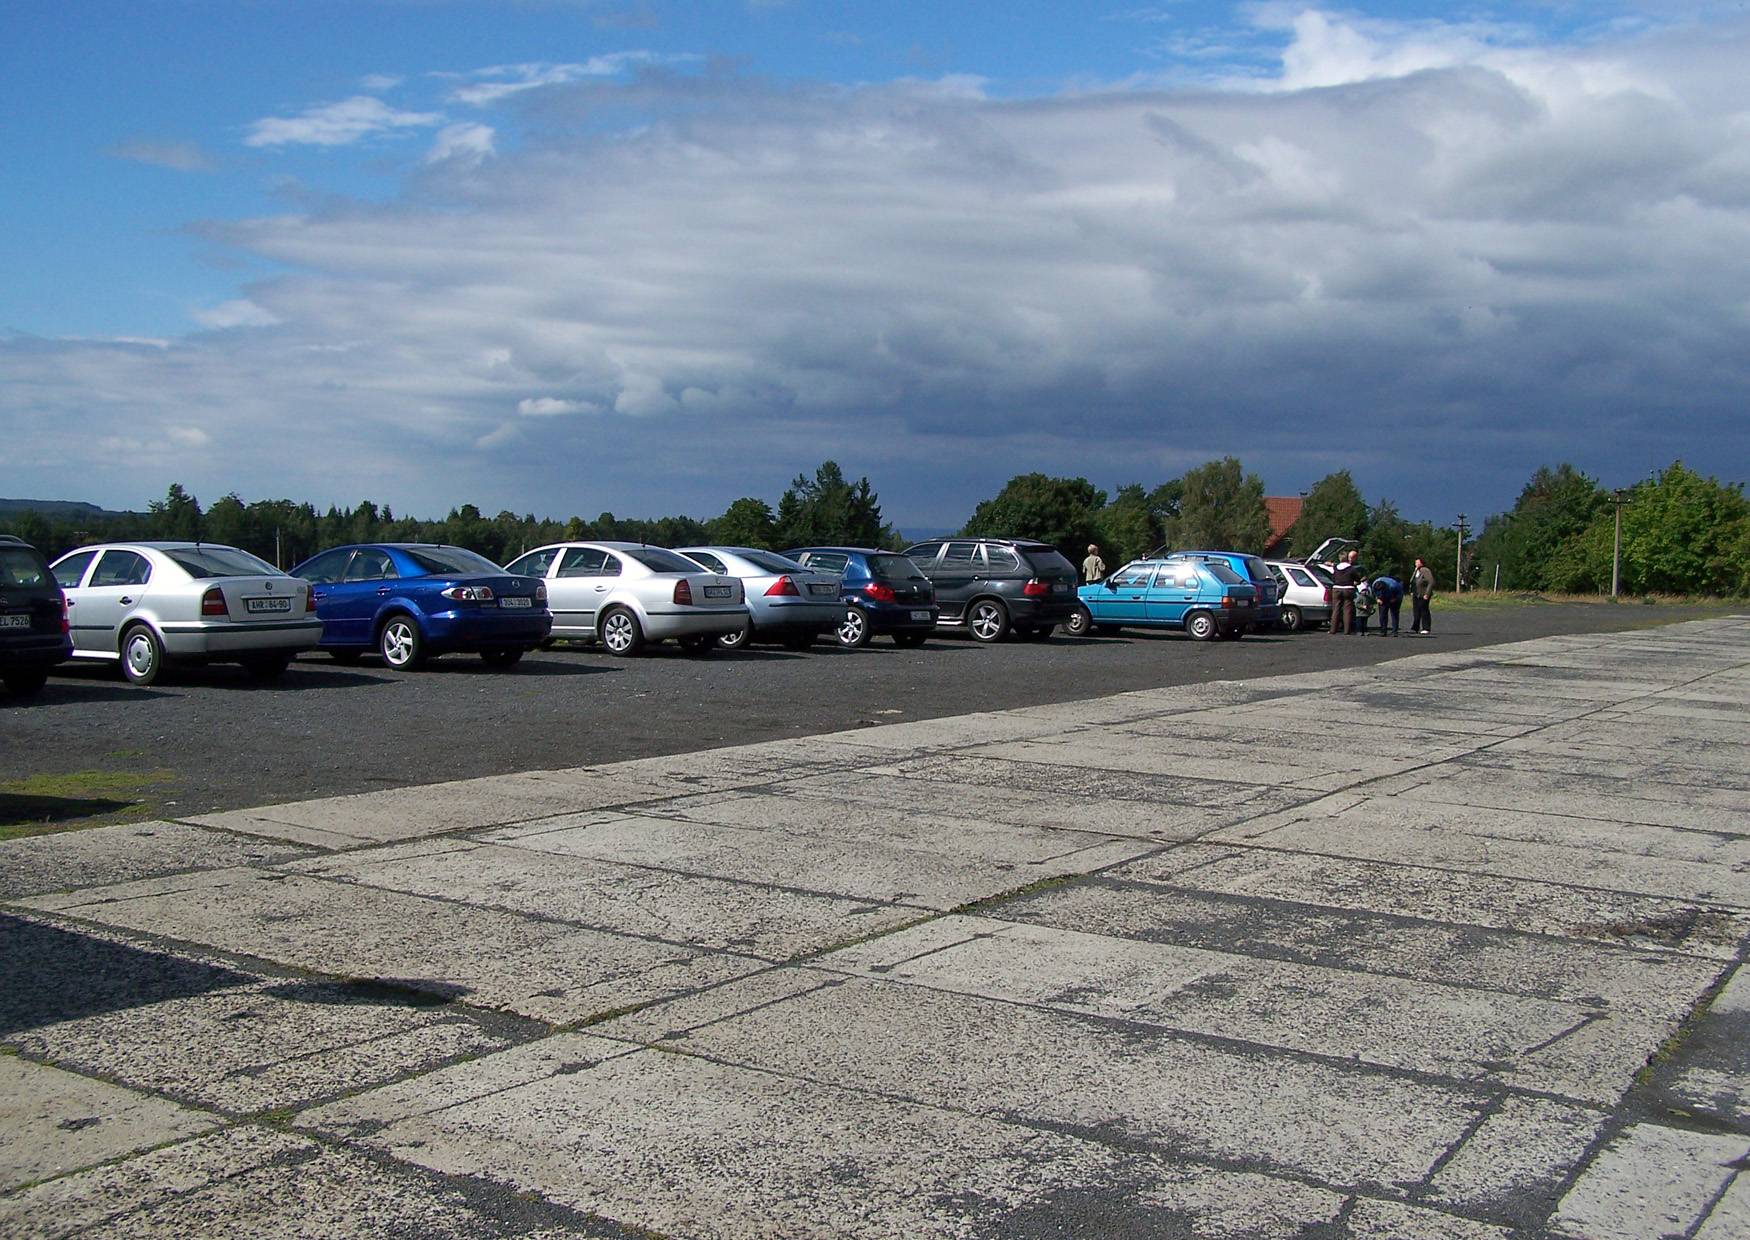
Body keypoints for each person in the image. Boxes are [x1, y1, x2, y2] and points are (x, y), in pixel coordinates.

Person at [1329, 549, 1359, 634]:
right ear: (1347, 559)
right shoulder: (1351, 569)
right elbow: (1357, 579)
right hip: (1348, 589)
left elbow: (1333, 578)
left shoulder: (1336, 568)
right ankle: (1347, 630)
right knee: (1347, 610)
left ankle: (1333, 629)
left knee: (1336, 609)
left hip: (1337, 589)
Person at [1410, 558, 1435, 635]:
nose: (1416, 563)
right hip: (1416, 594)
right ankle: (1415, 627)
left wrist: (1427, 593)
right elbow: (1412, 581)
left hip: (1423, 594)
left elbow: (1431, 582)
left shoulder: (1425, 570)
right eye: (1415, 562)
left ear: (1421, 563)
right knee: (1416, 611)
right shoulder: (1416, 571)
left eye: (1417, 562)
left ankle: (1426, 628)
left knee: (1424, 610)